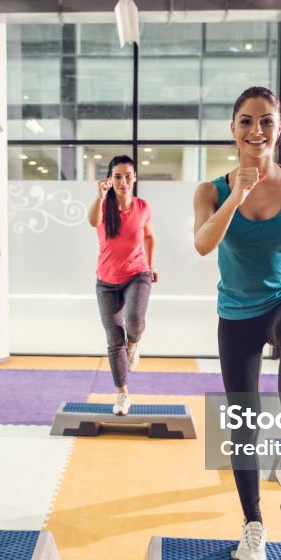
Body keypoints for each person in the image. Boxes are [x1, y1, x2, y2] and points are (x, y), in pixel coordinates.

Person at [193, 86, 281, 560]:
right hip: (237, 313)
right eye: (246, 121)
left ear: (279, 126)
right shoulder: (210, 191)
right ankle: (253, 527)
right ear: (233, 129)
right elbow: (203, 245)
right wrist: (237, 195)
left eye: (266, 121)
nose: (256, 130)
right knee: (243, 426)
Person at [88, 155, 157, 415]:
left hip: (137, 273)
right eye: (118, 176)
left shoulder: (143, 207)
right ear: (110, 179)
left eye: (128, 176)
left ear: (135, 178)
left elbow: (149, 237)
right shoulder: (103, 207)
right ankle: (122, 395)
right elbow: (92, 221)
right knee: (113, 338)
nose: (123, 181)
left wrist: (151, 266)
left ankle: (134, 345)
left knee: (135, 320)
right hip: (105, 281)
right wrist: (99, 195)